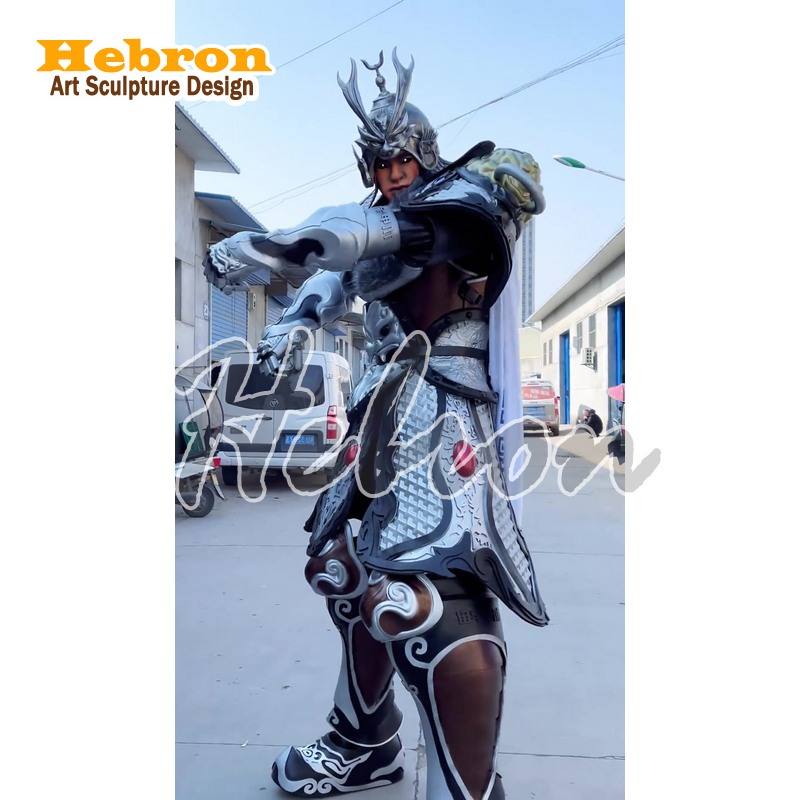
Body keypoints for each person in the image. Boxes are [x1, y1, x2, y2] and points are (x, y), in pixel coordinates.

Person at [205, 48, 548, 799]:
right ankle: (366, 740)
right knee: (345, 571)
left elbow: (371, 240)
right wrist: (289, 324)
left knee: (431, 601)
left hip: (443, 412)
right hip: (380, 410)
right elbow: (340, 270)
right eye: (380, 163)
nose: (392, 174)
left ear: (424, 152)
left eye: (401, 158)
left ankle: (465, 788)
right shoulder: (378, 218)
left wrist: (272, 248)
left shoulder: (465, 202)